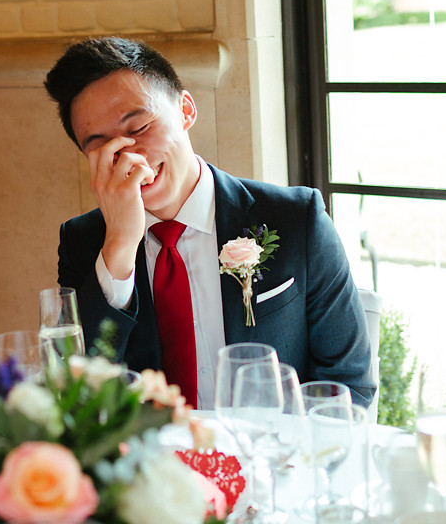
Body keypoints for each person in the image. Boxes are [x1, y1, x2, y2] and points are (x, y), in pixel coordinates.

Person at [44, 36, 374, 409]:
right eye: (100, 146)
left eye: (139, 128)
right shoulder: (84, 243)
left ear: (185, 110)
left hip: (270, 456)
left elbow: (349, 386)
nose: (128, 157)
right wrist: (119, 244)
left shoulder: (297, 218)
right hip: (151, 464)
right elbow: (76, 398)